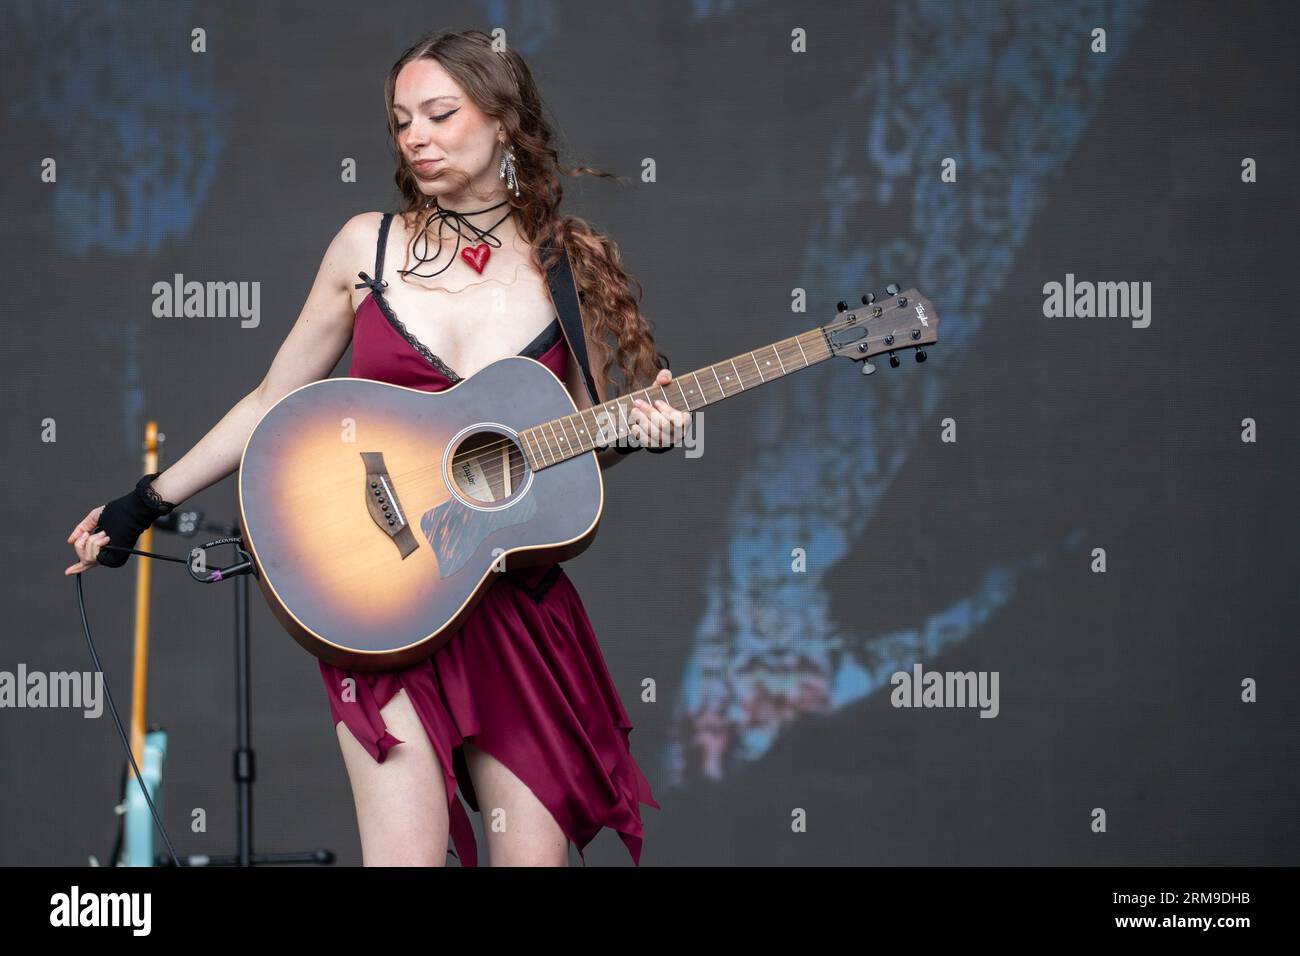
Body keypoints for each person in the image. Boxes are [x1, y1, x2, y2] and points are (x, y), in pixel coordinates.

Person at [63, 28, 689, 867]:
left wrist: (635, 432)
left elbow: (567, 446)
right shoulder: (370, 247)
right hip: (385, 601)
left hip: (513, 610)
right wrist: (144, 503)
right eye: (401, 122)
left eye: (439, 113)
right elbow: (270, 399)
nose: (416, 138)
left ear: (503, 121)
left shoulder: (561, 267)